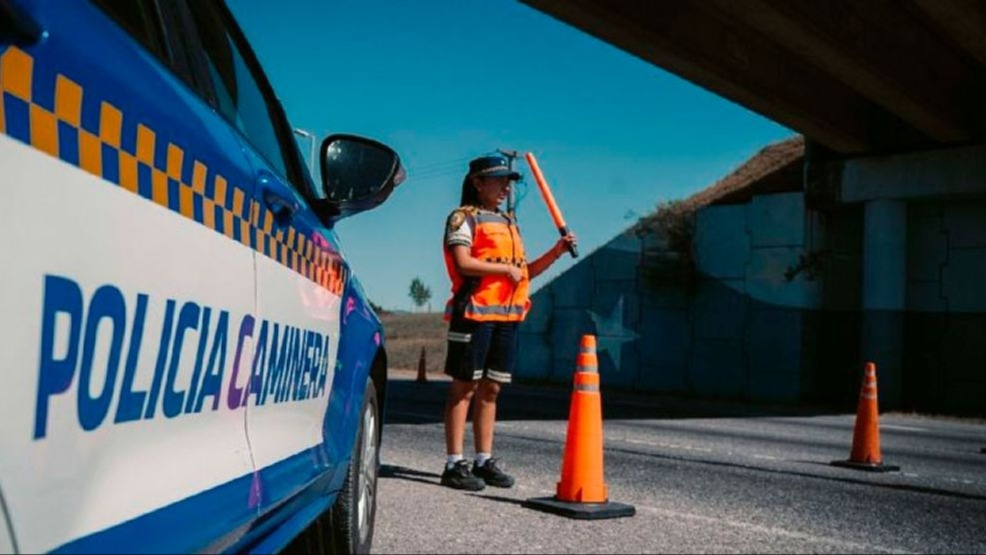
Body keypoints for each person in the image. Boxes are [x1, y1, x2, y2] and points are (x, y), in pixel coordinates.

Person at [440, 154, 577, 491]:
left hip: (507, 316)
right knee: (464, 388)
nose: (505, 187)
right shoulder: (463, 218)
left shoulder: (509, 222)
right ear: (478, 183)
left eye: (508, 181)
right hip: (474, 313)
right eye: (499, 180)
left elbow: (523, 273)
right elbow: (464, 262)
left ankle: (483, 460)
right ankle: (454, 464)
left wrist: (556, 252)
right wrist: (504, 270)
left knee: (492, 389)